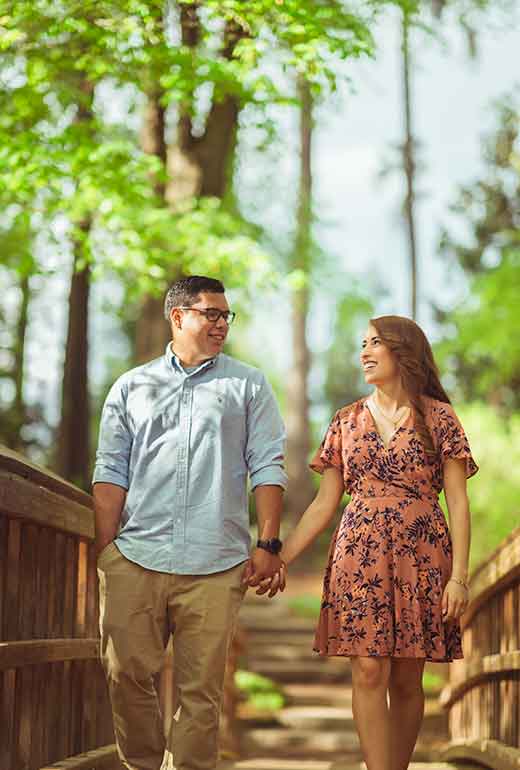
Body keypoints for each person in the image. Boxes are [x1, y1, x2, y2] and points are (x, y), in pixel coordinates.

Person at [264, 314, 477, 770]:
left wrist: (459, 577)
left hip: (422, 556)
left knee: (405, 679)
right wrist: (280, 554)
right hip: (358, 556)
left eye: (374, 343)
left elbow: (458, 502)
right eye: (362, 343)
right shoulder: (345, 420)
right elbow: (324, 504)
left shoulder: (439, 418)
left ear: (403, 352)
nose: (363, 352)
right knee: (367, 668)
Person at [92, 275, 287, 770]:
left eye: (226, 315)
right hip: (136, 557)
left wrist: (267, 541)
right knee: (124, 674)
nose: (222, 324)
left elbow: (267, 464)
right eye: (211, 314)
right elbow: (111, 469)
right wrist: (106, 550)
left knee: (201, 695)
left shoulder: (249, 385)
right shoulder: (131, 386)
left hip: (216, 563)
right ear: (178, 317)